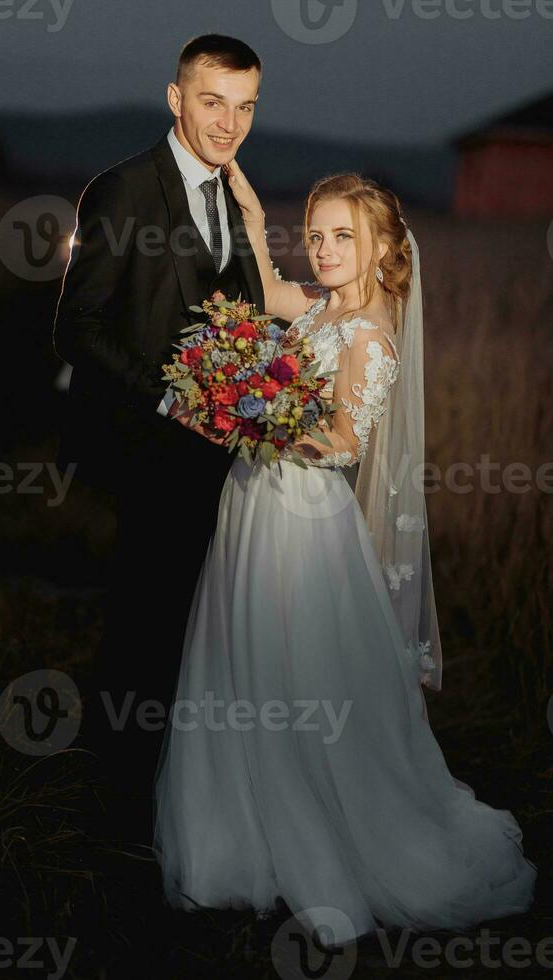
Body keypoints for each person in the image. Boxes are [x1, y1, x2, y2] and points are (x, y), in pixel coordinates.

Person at [152, 166, 537, 941]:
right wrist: (258, 220)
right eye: (317, 236)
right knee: (241, 663)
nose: (323, 250)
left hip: (303, 520)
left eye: (342, 238)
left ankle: (331, 842)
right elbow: (266, 290)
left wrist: (245, 420)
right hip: (252, 510)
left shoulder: (371, 337)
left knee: (299, 674)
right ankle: (237, 842)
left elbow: (343, 442)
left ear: (380, 249)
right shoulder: (319, 313)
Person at [52, 36, 265, 805]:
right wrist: (171, 399)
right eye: (213, 102)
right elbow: (78, 327)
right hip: (146, 439)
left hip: (222, 448)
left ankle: (180, 777)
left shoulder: (236, 194)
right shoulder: (123, 189)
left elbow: (243, 313)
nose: (228, 124)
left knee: (197, 612)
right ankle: (114, 789)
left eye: (245, 107)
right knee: (146, 610)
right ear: (176, 99)